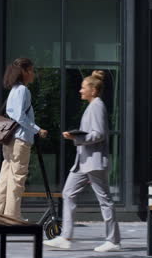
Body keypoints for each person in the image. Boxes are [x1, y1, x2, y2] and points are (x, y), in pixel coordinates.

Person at [43, 70, 121, 252]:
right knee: (68, 193)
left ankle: (114, 241)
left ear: (93, 90)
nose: (80, 91)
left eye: (83, 87)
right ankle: (66, 237)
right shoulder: (93, 105)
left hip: (93, 162)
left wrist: (76, 138)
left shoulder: (97, 106)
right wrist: (76, 136)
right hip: (84, 162)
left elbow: (99, 134)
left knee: (105, 200)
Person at [0, 57, 48, 219]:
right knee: (17, 178)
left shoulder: (14, 90)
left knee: (5, 177)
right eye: (31, 70)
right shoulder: (23, 90)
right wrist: (38, 129)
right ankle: (12, 217)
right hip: (20, 140)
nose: (33, 74)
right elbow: (19, 116)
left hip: (10, 140)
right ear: (24, 71)